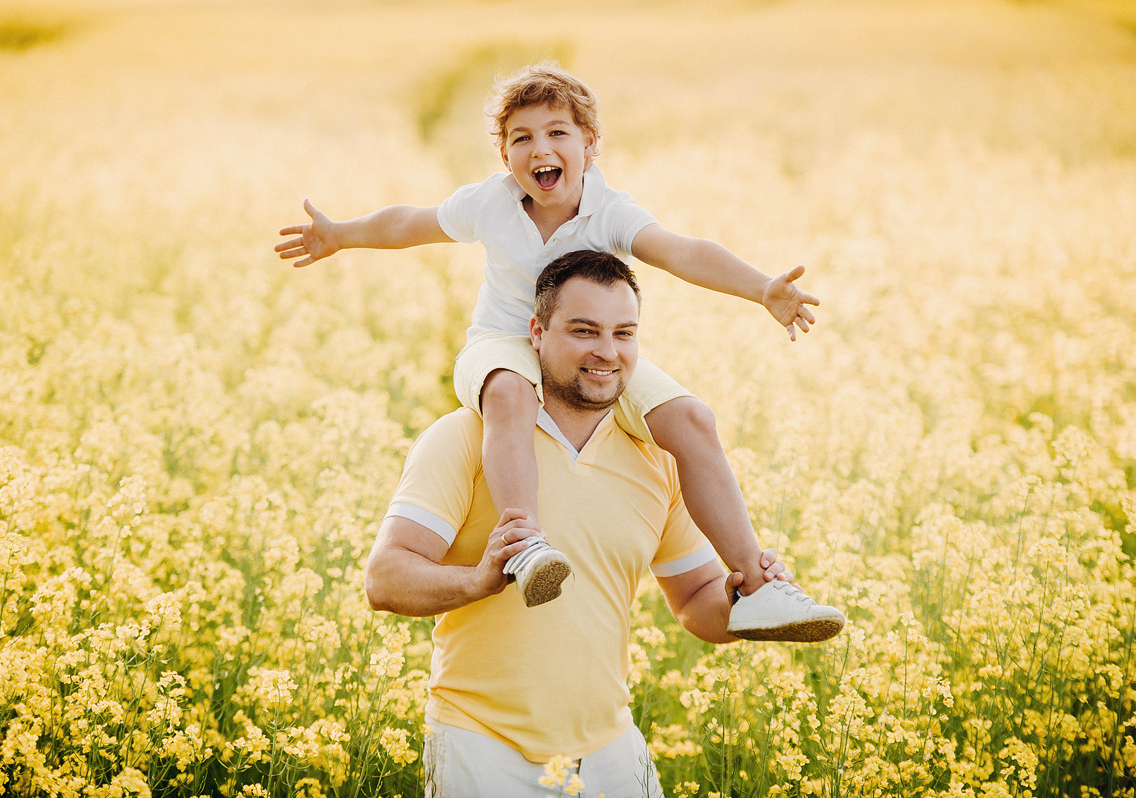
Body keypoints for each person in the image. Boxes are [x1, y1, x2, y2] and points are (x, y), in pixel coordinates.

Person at [279, 61, 843, 641]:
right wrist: (339, 234)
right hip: (503, 342)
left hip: (588, 348)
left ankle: (755, 585)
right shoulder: (490, 203)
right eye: (521, 138)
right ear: (505, 157)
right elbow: (408, 223)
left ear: (590, 145)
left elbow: (682, 251)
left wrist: (760, 289)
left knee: (692, 419)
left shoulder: (611, 211)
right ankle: (525, 543)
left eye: (557, 133)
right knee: (510, 393)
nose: (539, 148)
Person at [365, 250, 835, 797]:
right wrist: (478, 580)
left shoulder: (658, 457)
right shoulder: (468, 436)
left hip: (611, 749)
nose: (606, 352)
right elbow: (385, 579)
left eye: (624, 333)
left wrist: (737, 602)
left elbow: (694, 601)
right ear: (536, 332)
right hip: (482, 744)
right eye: (584, 331)